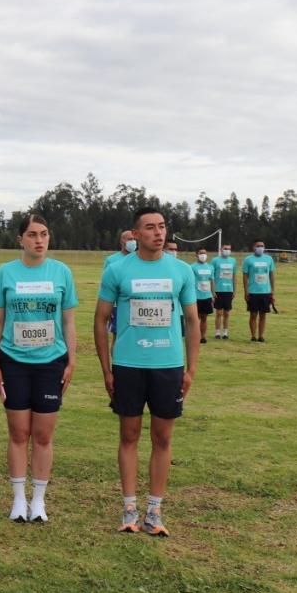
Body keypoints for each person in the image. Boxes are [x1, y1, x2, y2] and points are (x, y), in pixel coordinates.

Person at [94, 207, 199, 538]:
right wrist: (106, 368)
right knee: (129, 435)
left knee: (163, 437)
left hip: (168, 366)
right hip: (128, 365)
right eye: (150, 228)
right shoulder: (117, 269)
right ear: (135, 235)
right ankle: (129, 508)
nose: (159, 233)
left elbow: (193, 321)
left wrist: (191, 368)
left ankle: (154, 510)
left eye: (163, 227)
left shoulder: (181, 271)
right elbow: (99, 320)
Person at [0, 215, 77, 523]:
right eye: (32, 235)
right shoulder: (5, 273)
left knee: (42, 434)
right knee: (18, 432)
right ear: (20, 240)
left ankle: (38, 501)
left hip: (51, 362)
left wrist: (72, 359)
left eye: (44, 234)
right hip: (13, 361)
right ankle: (17, 500)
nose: (39, 240)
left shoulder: (62, 272)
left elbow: (68, 321)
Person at [242, 240, 275, 342]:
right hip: (253, 292)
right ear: (254, 247)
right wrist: (246, 291)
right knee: (253, 314)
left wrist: (272, 291)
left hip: (265, 291)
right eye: (258, 246)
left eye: (262, 246)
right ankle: (253, 335)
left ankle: (261, 336)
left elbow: (272, 275)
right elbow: (245, 276)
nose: (260, 247)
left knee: (263, 315)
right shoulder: (248, 260)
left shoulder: (269, 259)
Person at [210, 243, 237, 339]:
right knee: (218, 313)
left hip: (228, 290)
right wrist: (212, 292)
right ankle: (217, 332)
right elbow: (211, 277)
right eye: (225, 248)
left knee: (227, 313)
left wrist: (234, 290)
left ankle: (225, 332)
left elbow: (234, 276)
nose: (227, 250)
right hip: (218, 290)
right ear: (221, 249)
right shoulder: (215, 261)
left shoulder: (233, 261)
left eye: (229, 249)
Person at [190, 249, 215, 344]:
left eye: (204, 253)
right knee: (196, 318)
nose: (203, 255)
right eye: (201, 253)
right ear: (196, 254)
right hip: (196, 296)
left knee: (204, 318)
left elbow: (212, 280)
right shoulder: (192, 267)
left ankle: (203, 336)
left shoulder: (210, 267)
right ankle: (195, 336)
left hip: (207, 296)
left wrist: (213, 294)